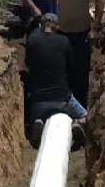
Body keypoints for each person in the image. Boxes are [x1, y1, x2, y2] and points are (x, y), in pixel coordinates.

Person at [25, 13, 87, 148]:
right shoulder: (64, 41)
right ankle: (76, 124)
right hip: (62, 98)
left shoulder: (32, 40)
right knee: (85, 116)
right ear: (57, 27)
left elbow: (28, 63)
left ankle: (37, 121)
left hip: (38, 100)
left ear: (41, 26)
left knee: (31, 116)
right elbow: (71, 68)